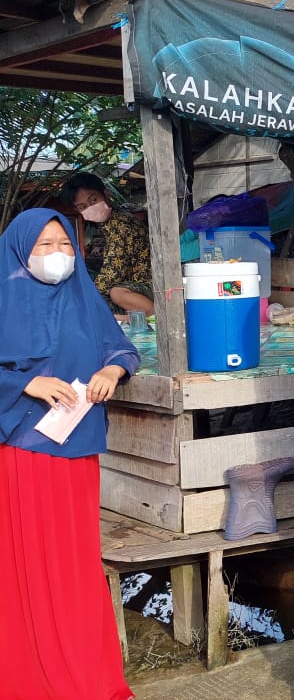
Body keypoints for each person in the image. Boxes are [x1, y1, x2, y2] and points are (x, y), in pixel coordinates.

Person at [0, 208, 141, 700]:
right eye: (44, 245)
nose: (57, 254)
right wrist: (26, 383)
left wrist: (112, 371)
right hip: (23, 453)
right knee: (27, 565)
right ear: (20, 250)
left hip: (77, 451)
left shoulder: (83, 296)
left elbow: (120, 348)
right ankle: (28, 674)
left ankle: (85, 674)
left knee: (75, 565)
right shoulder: (4, 296)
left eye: (64, 244)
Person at [62, 172, 154, 317]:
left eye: (93, 200)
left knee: (114, 294)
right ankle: (126, 318)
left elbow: (113, 272)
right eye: (82, 206)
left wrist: (85, 297)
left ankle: (152, 315)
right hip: (135, 286)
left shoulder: (121, 225)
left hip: (149, 286)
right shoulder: (111, 223)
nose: (90, 207)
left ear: (106, 194)